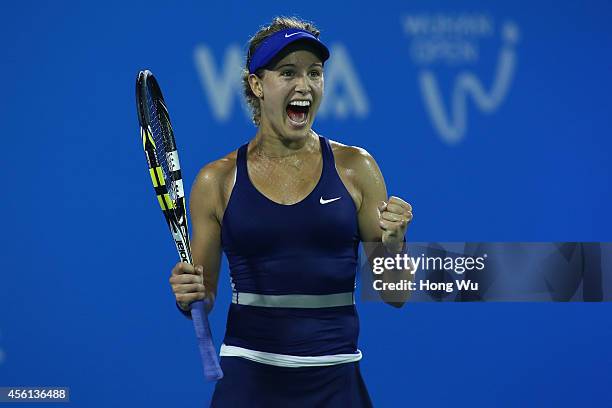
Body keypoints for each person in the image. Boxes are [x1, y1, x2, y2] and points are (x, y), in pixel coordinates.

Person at [168, 16, 413, 407]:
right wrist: (189, 294)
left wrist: (396, 245)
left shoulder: (357, 168)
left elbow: (396, 294)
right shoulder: (217, 180)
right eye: (288, 72)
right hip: (249, 377)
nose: (304, 86)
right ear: (256, 84)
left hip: (336, 379)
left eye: (315, 73)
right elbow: (204, 293)